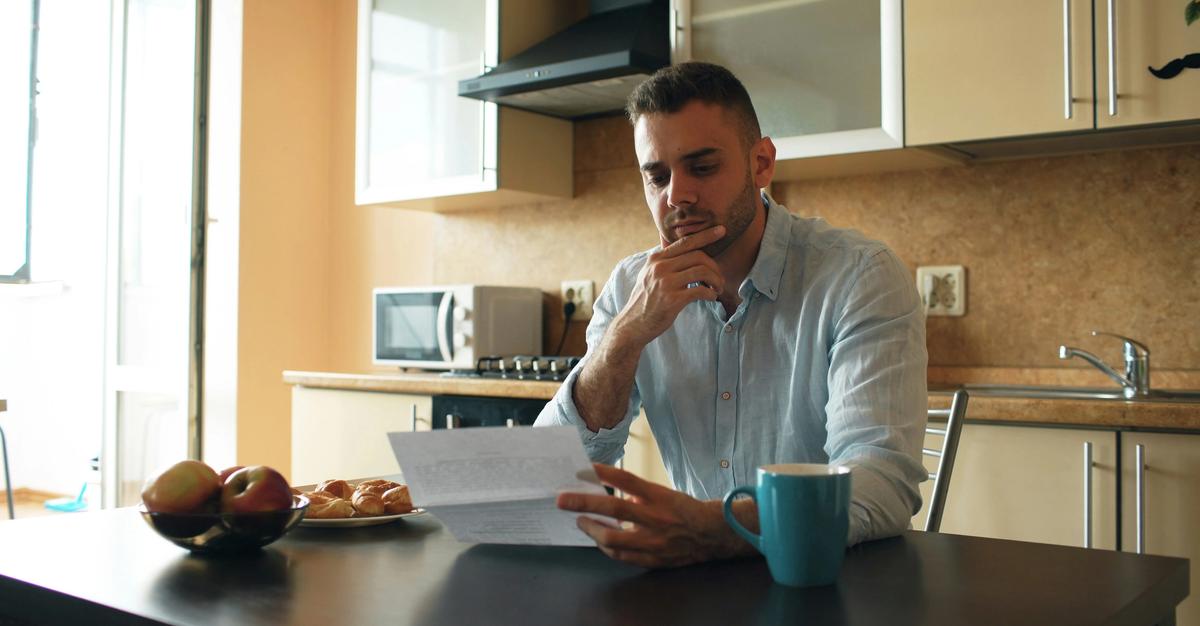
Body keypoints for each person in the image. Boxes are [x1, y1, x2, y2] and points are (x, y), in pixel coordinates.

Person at [534, 62, 928, 568]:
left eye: (702, 167)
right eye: (656, 176)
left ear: (761, 163)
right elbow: (550, 474)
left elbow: (879, 483)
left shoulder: (859, 276)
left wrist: (713, 529)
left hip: (830, 581)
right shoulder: (632, 288)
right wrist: (625, 337)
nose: (676, 195)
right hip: (694, 584)